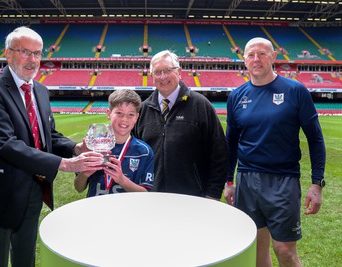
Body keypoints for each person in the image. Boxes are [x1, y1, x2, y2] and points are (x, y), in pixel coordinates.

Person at [0, 26, 104, 267]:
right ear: (8, 54)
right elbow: (4, 143)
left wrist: (76, 148)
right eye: (25, 52)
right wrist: (64, 164)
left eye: (37, 53)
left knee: (25, 259)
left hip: (34, 190)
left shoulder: (40, 89)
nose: (33, 60)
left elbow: (48, 135)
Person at [223, 37, 326, 267]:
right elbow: (230, 142)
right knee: (257, 249)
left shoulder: (295, 91)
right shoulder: (237, 96)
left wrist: (317, 183)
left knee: (285, 251)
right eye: (251, 55)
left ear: (274, 57)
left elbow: (315, 138)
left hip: (283, 180)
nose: (256, 59)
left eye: (262, 54)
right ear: (244, 60)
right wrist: (229, 180)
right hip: (247, 180)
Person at [133, 50, 228, 199]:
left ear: (179, 72)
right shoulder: (143, 110)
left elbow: (219, 153)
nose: (162, 77)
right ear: (151, 77)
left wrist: (213, 194)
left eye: (167, 70)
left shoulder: (201, 105)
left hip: (193, 198)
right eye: (157, 72)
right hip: (150, 198)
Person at [74, 89, 154, 197]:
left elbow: (147, 194)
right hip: (96, 209)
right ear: (109, 113)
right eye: (119, 113)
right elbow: (78, 187)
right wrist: (85, 173)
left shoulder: (144, 152)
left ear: (136, 117)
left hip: (129, 210)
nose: (124, 119)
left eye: (131, 114)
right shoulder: (93, 146)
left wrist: (122, 180)